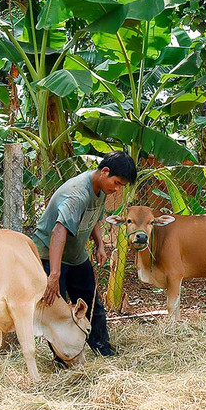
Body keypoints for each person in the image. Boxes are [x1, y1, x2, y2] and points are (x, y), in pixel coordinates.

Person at [33, 150, 137, 357]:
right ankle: (63, 359)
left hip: (76, 254)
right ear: (104, 171)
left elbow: (93, 218)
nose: (117, 189)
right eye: (117, 183)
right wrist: (54, 275)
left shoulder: (100, 188)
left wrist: (99, 245)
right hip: (50, 256)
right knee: (58, 310)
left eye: (121, 186)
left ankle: (101, 348)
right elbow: (58, 232)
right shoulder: (77, 193)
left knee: (91, 305)